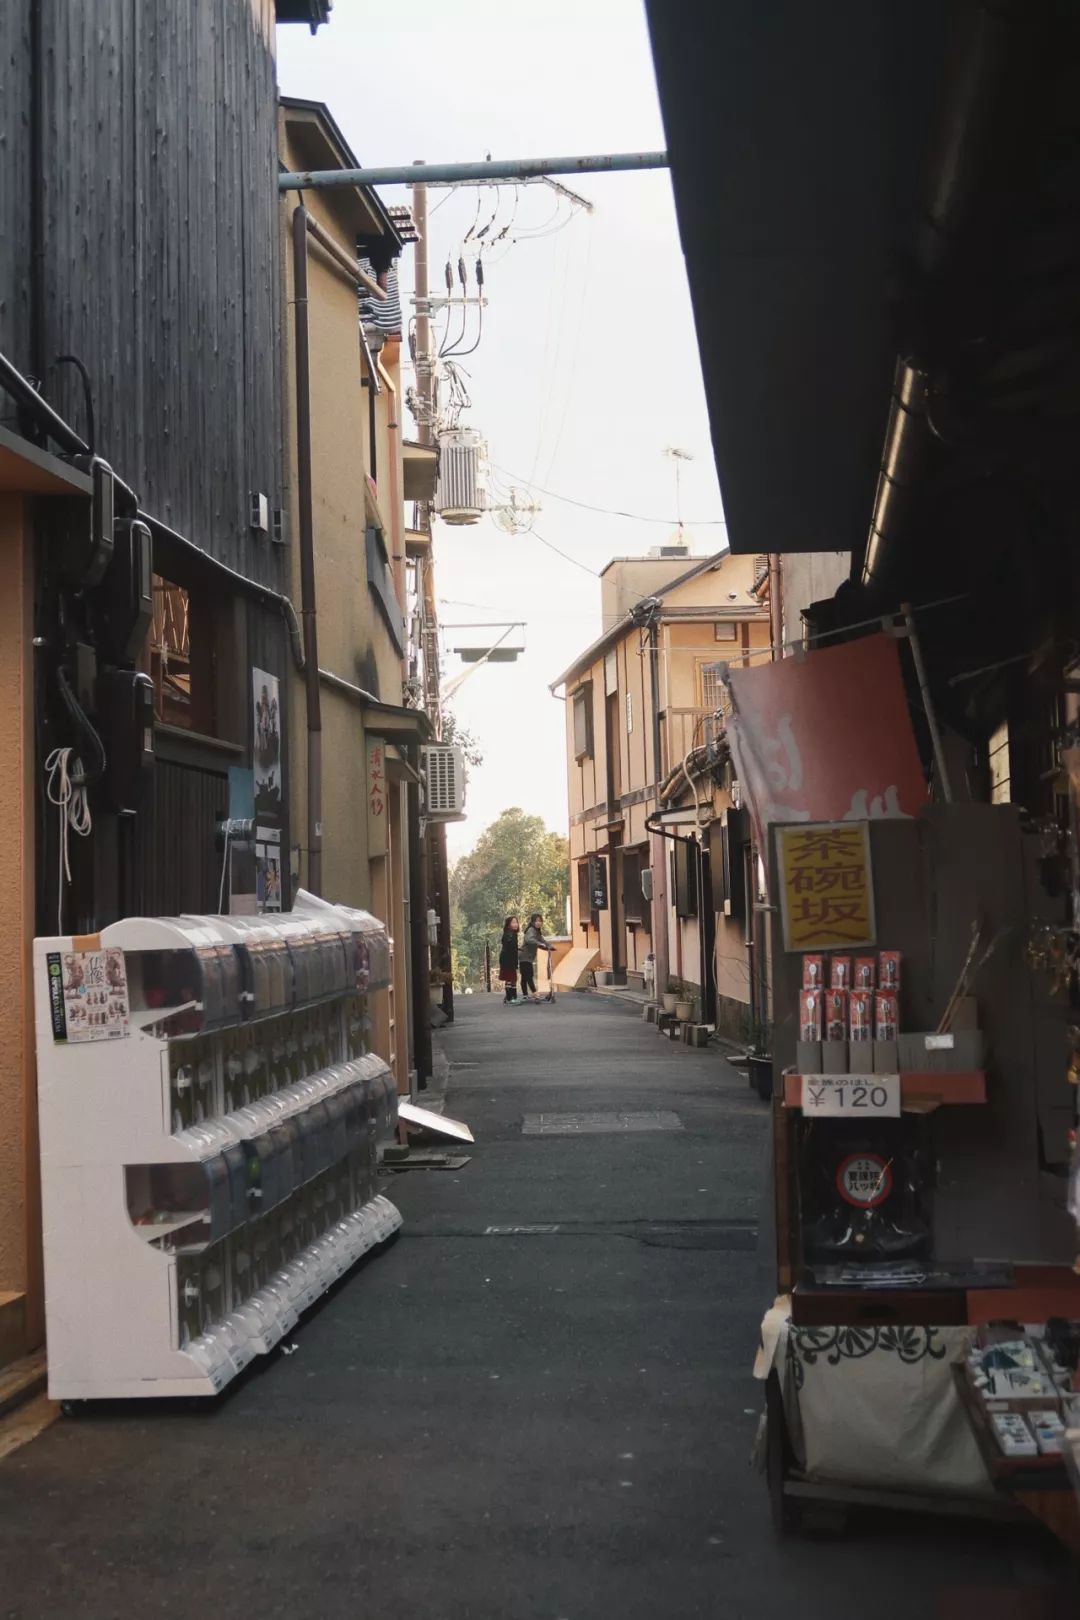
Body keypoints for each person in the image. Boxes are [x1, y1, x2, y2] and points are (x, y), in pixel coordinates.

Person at [519, 912, 551, 1001]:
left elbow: (542, 940)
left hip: (528, 957)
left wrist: (550, 946)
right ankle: (534, 993)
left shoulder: (537, 932)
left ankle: (525, 995)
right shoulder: (531, 930)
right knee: (528, 975)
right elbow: (529, 939)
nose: (538, 922)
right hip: (524, 956)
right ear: (533, 922)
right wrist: (539, 943)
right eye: (536, 921)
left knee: (525, 976)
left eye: (540, 921)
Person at [498, 915, 520, 1004]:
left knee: (512, 979)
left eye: (516, 922)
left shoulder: (511, 933)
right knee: (510, 979)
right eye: (513, 922)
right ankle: (510, 998)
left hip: (510, 960)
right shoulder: (509, 934)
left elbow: (510, 947)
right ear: (508, 924)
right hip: (508, 960)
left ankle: (511, 997)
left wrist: (517, 949)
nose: (516, 924)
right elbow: (508, 947)